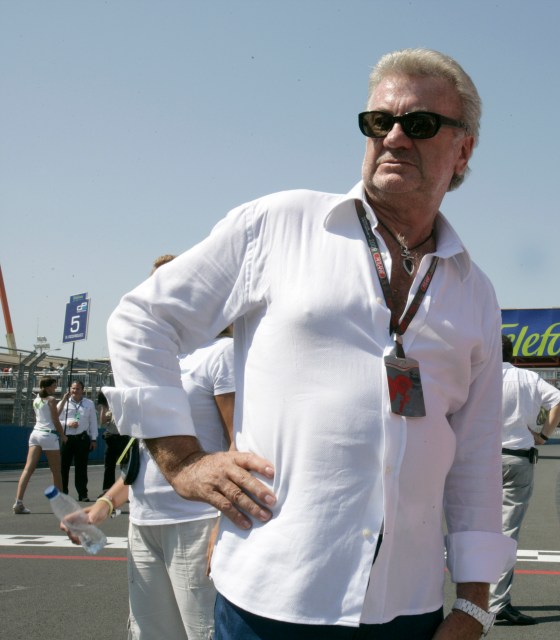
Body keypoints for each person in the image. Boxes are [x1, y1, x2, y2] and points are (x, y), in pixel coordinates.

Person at [104, 48, 513, 640]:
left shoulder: (474, 290)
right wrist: (183, 460)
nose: (394, 137)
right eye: (378, 122)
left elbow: (476, 455)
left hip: (408, 608)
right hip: (271, 601)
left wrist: (474, 605)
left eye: (419, 124)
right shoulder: (280, 224)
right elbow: (141, 318)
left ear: (463, 149)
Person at [67, 255, 235, 639]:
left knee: (203, 631)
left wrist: (225, 522)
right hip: (144, 524)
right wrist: (103, 505)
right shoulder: (148, 364)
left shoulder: (219, 355)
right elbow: (147, 456)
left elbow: (239, 442)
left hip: (196, 523)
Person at [492, 335, 560, 626]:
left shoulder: (475, 375)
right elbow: (559, 400)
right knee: (506, 531)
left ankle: (469, 598)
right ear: (513, 353)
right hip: (516, 458)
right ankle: (497, 603)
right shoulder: (527, 377)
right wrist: (544, 435)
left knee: (472, 528)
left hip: (477, 460)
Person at [13, 377, 67, 513]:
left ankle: (18, 502)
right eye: (54, 386)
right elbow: (55, 419)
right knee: (56, 472)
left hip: (35, 434)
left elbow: (52, 414)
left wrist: (64, 400)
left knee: (27, 469)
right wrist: (63, 435)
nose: (55, 389)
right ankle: (60, 504)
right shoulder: (51, 400)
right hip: (49, 435)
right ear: (48, 387)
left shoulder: (36, 399)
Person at [58, 379, 98, 501]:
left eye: (78, 388)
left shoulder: (89, 403)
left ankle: (83, 494)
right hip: (67, 438)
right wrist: (68, 423)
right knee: (63, 467)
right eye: (73, 388)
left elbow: (93, 422)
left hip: (82, 438)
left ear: (83, 390)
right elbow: (55, 420)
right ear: (70, 389)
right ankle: (63, 492)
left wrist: (94, 439)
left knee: (81, 467)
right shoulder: (63, 403)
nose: (75, 391)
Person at [97, 389, 131, 495]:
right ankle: (107, 490)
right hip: (111, 437)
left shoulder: (124, 405)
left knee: (125, 465)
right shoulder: (107, 407)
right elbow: (102, 421)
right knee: (109, 465)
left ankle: (125, 491)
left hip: (123, 437)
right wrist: (103, 405)